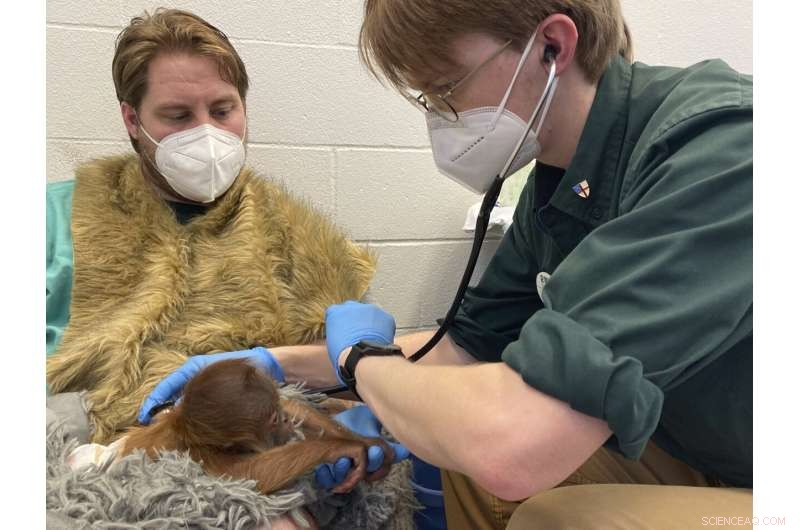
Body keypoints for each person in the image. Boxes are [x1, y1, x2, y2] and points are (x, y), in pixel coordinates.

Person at [145, 1, 752, 527]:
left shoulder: (723, 148)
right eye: (428, 97)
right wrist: (275, 363)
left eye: (447, 87)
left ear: (552, 45)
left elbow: (516, 446)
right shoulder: (553, 186)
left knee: (554, 514)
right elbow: (463, 347)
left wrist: (361, 362)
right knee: (459, 458)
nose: (439, 117)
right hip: (694, 445)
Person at [45, 7, 391, 460]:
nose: (207, 133)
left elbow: (351, 372)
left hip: (237, 453)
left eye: (223, 110)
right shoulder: (54, 219)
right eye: (177, 115)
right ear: (133, 121)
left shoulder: (303, 241)